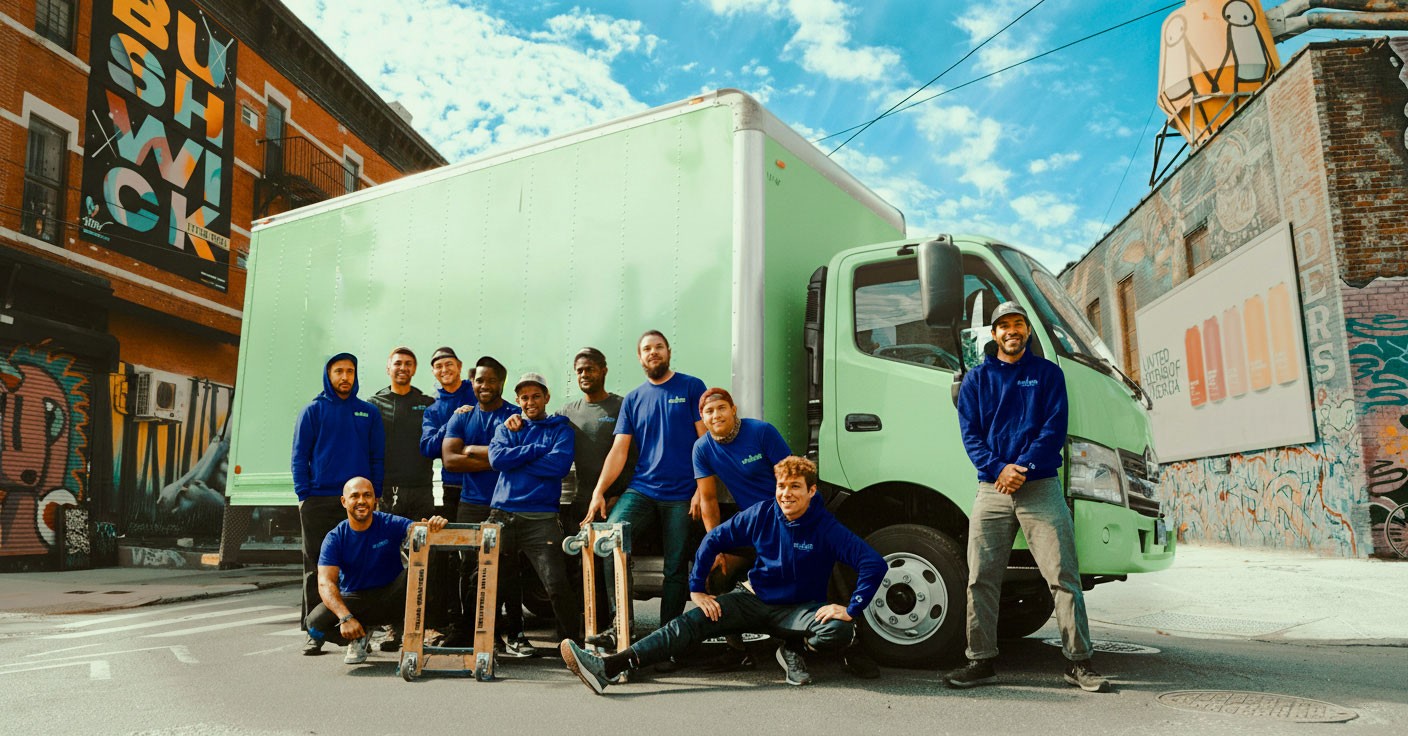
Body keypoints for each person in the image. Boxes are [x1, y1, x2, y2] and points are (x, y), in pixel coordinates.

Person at [560, 456, 886, 693]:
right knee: (688, 623)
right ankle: (608, 667)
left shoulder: (826, 527)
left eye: (795, 487)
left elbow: (873, 563)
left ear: (811, 491)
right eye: (782, 486)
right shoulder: (761, 514)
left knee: (838, 631)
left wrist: (851, 608)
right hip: (751, 600)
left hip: (797, 611)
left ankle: (793, 647)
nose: (786, 494)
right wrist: (698, 590)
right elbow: (714, 538)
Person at [943, 301, 1110, 693]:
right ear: (995, 333)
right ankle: (980, 661)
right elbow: (971, 435)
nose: (1011, 331)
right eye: (1004, 325)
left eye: (1018, 324)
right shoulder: (977, 380)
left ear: (1028, 331)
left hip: (1040, 487)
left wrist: (1023, 468)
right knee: (981, 578)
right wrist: (1000, 469)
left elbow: (1054, 428)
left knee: (1063, 576)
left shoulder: (1048, 374)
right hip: (992, 489)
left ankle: (1078, 662)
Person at [580, 331, 712, 666]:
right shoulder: (634, 399)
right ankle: (618, 625)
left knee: (675, 566)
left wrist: (701, 488)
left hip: (682, 492)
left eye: (657, 347)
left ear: (668, 351)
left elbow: (706, 441)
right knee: (608, 541)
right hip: (643, 488)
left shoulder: (690, 386)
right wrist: (599, 491)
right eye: (646, 349)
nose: (652, 353)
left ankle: (667, 637)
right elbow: (619, 450)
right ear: (639, 358)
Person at [292, 352, 385, 655]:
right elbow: (299, 457)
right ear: (328, 375)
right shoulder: (312, 411)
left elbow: (377, 458)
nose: (345, 377)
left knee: (358, 566)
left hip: (358, 501)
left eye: (350, 372)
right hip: (319, 499)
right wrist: (304, 494)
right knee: (315, 566)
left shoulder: (368, 413)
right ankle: (313, 632)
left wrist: (376, 494)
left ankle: (360, 629)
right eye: (339, 372)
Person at [305, 477, 448, 665]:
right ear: (344, 501)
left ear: (375, 500)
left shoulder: (389, 523)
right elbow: (325, 583)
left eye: (367, 495)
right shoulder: (335, 538)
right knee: (314, 624)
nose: (361, 501)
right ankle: (358, 636)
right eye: (354, 496)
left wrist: (434, 526)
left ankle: (420, 629)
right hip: (356, 601)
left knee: (421, 566)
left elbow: (418, 531)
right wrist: (345, 618)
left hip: (392, 596)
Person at [442, 356, 529, 654]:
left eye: (491, 380)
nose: (485, 386)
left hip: (507, 503)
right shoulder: (462, 416)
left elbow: (517, 458)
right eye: (480, 380)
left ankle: (515, 633)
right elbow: (451, 460)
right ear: (473, 383)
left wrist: (473, 452)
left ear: (502, 383)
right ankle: (474, 631)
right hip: (471, 503)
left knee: (507, 568)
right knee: (470, 570)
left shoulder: (515, 415)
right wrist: (497, 458)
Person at [487, 372, 580, 644]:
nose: (530, 402)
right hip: (502, 515)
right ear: (517, 400)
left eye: (536, 396)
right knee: (494, 583)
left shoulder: (561, 429)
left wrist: (517, 459)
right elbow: (496, 459)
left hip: (541, 518)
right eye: (524, 397)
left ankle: (571, 645)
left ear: (547, 397)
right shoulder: (507, 427)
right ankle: (492, 643)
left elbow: (558, 466)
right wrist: (536, 449)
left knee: (556, 584)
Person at [552, 347, 636, 634]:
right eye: (579, 371)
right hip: (581, 502)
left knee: (610, 566)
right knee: (582, 568)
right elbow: (536, 424)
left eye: (590, 369)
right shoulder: (567, 412)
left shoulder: (622, 407)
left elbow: (636, 457)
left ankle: (618, 627)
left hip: (616, 501)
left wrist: (619, 496)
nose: (584, 375)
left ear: (604, 370)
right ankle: (592, 628)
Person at [369, 347, 436, 521]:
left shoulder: (427, 403)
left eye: (408, 364)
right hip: (387, 490)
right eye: (397, 363)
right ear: (388, 368)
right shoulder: (374, 405)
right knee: (387, 544)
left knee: (420, 543)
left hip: (421, 489)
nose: (403, 368)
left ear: (414, 369)